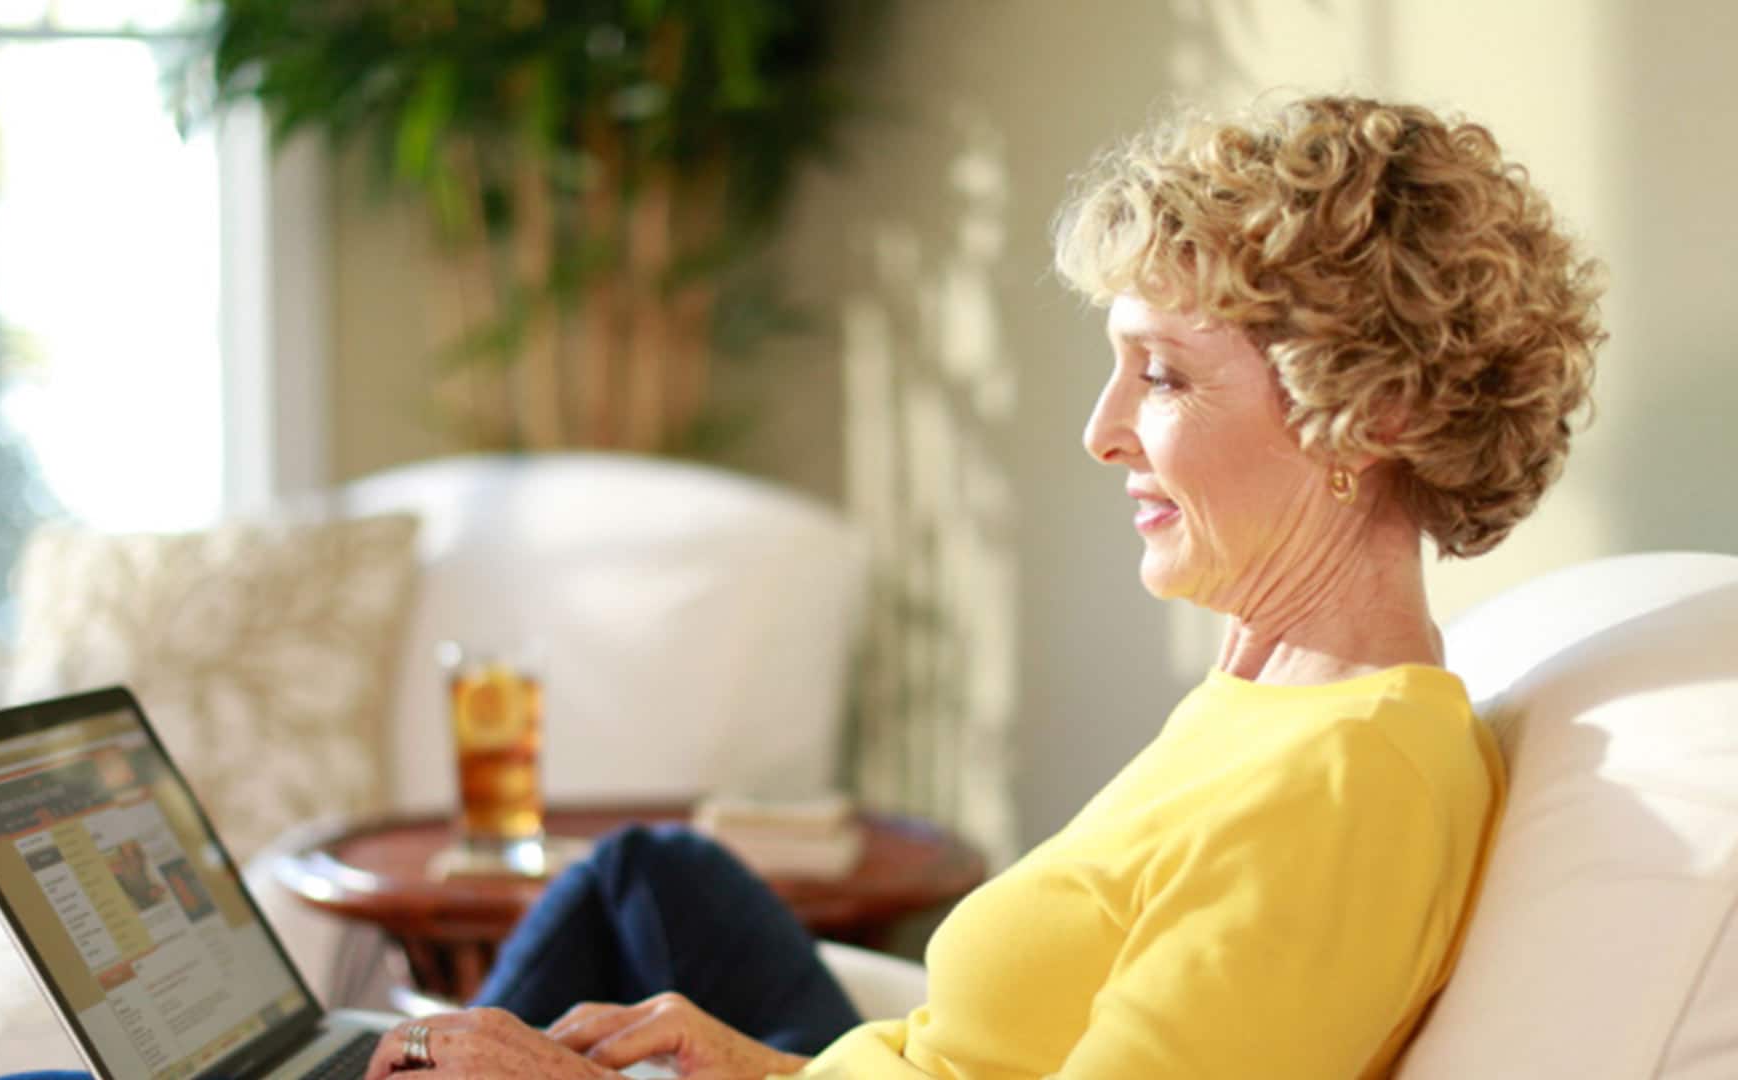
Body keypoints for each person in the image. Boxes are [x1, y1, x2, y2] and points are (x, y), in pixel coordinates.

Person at [356, 93, 1605, 1079]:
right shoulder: (1267, 689)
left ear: (1371, 411)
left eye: (1161, 376)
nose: (1101, 432)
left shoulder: (1347, 786)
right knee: (651, 876)